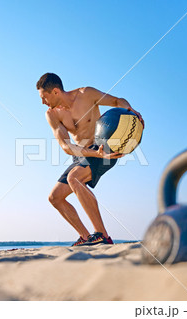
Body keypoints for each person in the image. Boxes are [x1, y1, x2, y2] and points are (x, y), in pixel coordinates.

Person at [36, 73, 144, 246]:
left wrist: (130, 110)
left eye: (44, 97)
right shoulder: (52, 115)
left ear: (55, 91)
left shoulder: (86, 94)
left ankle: (101, 235)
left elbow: (118, 101)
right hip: (83, 155)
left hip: (104, 148)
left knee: (74, 178)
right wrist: (93, 154)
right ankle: (86, 237)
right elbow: (65, 146)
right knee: (55, 197)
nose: (43, 102)